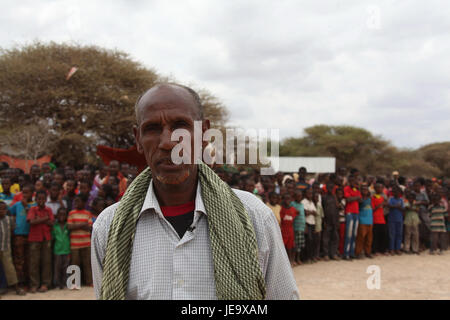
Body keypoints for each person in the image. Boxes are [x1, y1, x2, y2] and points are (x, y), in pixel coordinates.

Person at [91, 83, 299, 300]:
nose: (168, 142)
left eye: (181, 126)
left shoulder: (254, 216)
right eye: (152, 128)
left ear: (204, 133)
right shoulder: (108, 227)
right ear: (138, 140)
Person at [27, 190, 54, 293]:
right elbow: (32, 221)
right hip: (34, 239)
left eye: (43, 199)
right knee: (34, 263)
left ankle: (45, 284)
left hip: (46, 238)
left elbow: (51, 223)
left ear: (46, 199)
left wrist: (39, 219)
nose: (41, 201)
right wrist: (45, 219)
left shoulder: (49, 209)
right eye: (39, 199)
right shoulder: (33, 209)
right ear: (36, 199)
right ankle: (34, 284)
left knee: (46, 262)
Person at [9, 184, 35, 289]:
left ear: (32, 194)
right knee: (19, 260)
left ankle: (29, 282)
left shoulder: (34, 205)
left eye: (27, 192)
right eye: (22, 192)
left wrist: (26, 207)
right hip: (19, 235)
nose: (24, 195)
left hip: (30, 235)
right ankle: (20, 283)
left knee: (29, 260)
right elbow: (8, 212)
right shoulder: (17, 204)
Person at [0, 201, 26, 295]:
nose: (2, 211)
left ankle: (16, 287)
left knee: (10, 268)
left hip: (6, 247)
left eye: (4, 209)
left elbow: (12, 231)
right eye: (0, 209)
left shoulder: (9, 219)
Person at [67, 193, 93, 288]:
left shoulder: (87, 213)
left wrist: (76, 225)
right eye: (75, 201)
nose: (76, 203)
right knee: (74, 263)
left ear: (84, 202)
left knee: (87, 264)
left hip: (86, 243)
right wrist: (83, 225)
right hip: (75, 243)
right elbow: (69, 227)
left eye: (78, 201)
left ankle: (89, 281)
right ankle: (74, 283)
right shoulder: (71, 213)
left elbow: (90, 227)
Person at [51, 207, 71, 289]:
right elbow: (53, 238)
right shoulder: (55, 226)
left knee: (65, 267)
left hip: (66, 250)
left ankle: (65, 283)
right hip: (57, 250)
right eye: (60, 214)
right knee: (57, 268)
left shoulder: (68, 226)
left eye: (64, 214)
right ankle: (57, 284)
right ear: (57, 216)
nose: (62, 216)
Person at [343, 176, 361, 260]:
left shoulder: (356, 190)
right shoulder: (346, 188)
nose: (355, 183)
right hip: (349, 212)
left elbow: (360, 199)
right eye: (353, 181)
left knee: (354, 234)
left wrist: (355, 197)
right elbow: (348, 199)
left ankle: (352, 252)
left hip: (356, 212)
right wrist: (356, 198)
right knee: (349, 234)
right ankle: (346, 253)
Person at [321, 183, 340, 260]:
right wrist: (324, 221)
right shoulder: (324, 197)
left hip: (334, 220)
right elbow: (322, 209)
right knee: (326, 238)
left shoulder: (334, 197)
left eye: (331, 188)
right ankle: (326, 254)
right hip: (327, 220)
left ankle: (333, 254)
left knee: (335, 238)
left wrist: (337, 220)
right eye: (329, 187)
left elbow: (337, 208)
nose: (330, 189)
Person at [355, 185, 374, 258]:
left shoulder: (369, 199)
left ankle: (368, 252)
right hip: (362, 220)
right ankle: (358, 252)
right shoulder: (360, 199)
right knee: (360, 237)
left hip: (370, 220)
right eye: (363, 190)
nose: (365, 191)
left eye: (366, 190)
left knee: (369, 238)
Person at [280, 193, 298, 267]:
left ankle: (291, 261)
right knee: (283, 247)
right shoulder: (281, 209)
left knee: (290, 247)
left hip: (290, 230)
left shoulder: (293, 209)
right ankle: (284, 262)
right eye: (286, 199)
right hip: (283, 230)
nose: (287, 201)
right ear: (283, 200)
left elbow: (297, 213)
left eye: (289, 199)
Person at [387, 187, 405, 255]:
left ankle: (397, 248)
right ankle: (391, 249)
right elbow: (389, 206)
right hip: (392, 219)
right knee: (392, 234)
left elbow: (403, 209)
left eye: (397, 192)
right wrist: (396, 206)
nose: (396, 193)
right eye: (394, 192)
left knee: (399, 234)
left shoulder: (401, 200)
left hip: (399, 219)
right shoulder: (391, 199)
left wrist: (399, 207)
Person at [371, 183, 388, 255]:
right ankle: (375, 250)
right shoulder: (372, 197)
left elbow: (386, 205)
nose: (379, 189)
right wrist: (380, 205)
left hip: (382, 218)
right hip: (375, 218)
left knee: (383, 234)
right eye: (377, 188)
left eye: (380, 188)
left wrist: (384, 204)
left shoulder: (383, 197)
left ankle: (383, 249)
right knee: (375, 235)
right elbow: (373, 209)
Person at [302, 188, 317, 263]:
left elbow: (315, 213)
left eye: (311, 193)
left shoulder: (312, 202)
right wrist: (311, 212)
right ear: (305, 194)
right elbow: (305, 213)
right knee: (308, 240)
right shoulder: (303, 202)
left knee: (312, 241)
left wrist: (310, 212)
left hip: (312, 223)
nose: (310, 195)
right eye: (309, 193)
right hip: (307, 223)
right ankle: (307, 258)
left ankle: (311, 257)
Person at [291, 190, 306, 265]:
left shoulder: (302, 205)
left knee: (299, 245)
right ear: (295, 197)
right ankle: (293, 259)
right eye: (298, 196)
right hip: (295, 227)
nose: (299, 197)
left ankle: (298, 258)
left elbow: (303, 216)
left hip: (301, 227)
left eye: (300, 196)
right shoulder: (292, 204)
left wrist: (304, 226)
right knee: (294, 244)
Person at [336, 188, 346, 256]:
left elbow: (340, 207)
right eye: (338, 194)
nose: (340, 195)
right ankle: (335, 251)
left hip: (342, 221)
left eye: (341, 194)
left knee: (342, 237)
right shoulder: (334, 199)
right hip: (335, 221)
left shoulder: (343, 200)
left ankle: (341, 251)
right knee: (336, 237)